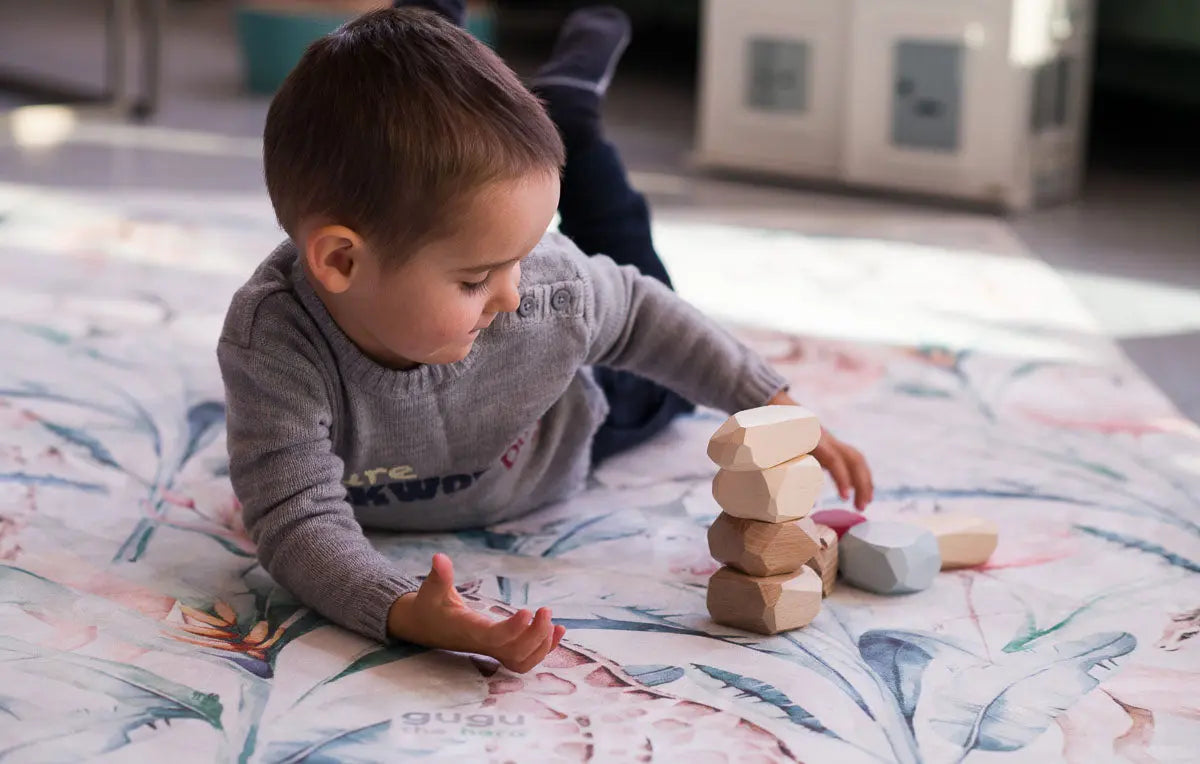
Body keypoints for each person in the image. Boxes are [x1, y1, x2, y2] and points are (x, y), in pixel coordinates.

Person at [218, 2, 873, 675]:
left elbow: (643, 314)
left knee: (645, 305)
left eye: (517, 263)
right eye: (475, 278)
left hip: (566, 430)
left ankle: (575, 126)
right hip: (492, 408)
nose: (508, 294)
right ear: (341, 263)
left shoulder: (539, 293)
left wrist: (772, 400)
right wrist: (402, 608)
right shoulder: (275, 346)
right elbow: (294, 519)